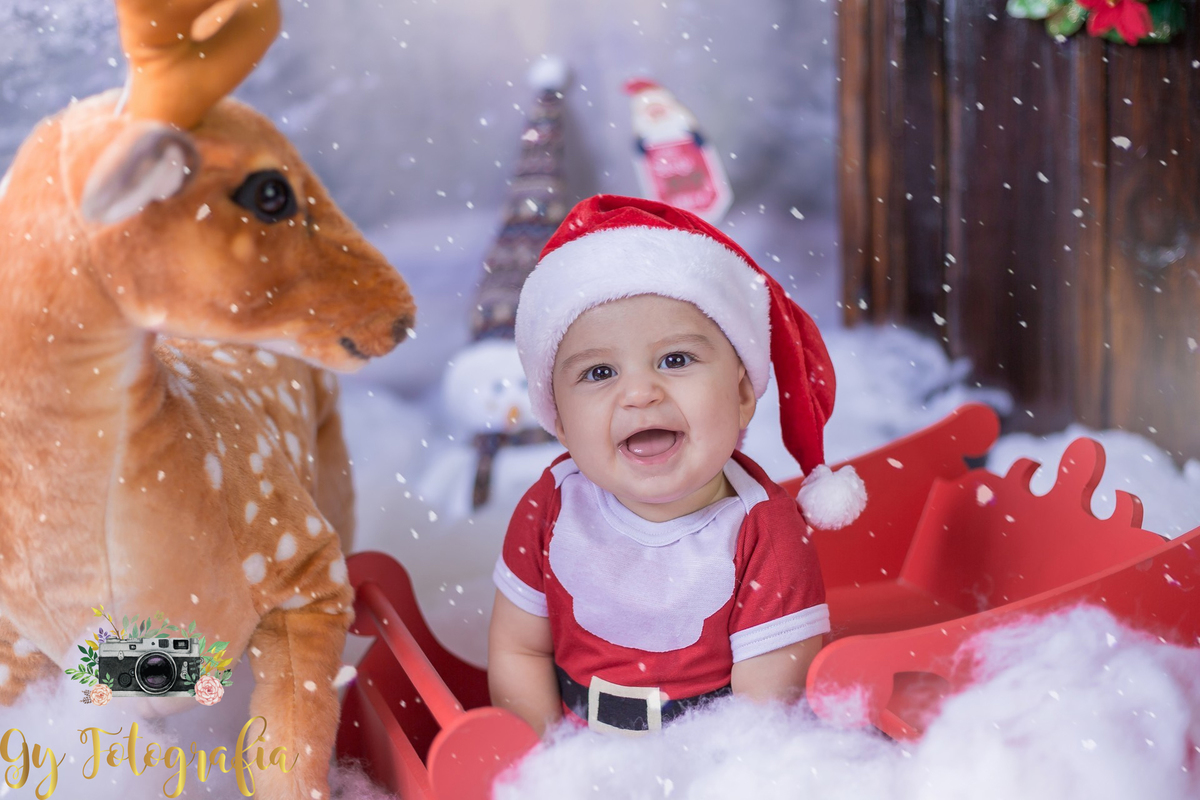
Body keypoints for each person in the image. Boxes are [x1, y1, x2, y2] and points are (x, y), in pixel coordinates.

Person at [487, 195, 867, 737]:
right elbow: (518, 649)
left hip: (705, 757)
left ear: (740, 392)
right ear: (561, 422)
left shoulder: (764, 534)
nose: (640, 392)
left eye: (676, 360)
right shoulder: (551, 503)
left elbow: (766, 720)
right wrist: (538, 758)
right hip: (574, 751)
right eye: (598, 373)